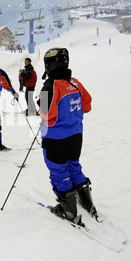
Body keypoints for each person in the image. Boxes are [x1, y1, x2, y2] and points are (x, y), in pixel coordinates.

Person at [38, 47, 96, 226]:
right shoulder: (74, 83)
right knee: (73, 166)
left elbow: (47, 114)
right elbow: (87, 105)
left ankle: (68, 210)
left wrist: (42, 103)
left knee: (59, 172)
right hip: (76, 136)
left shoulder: (50, 86)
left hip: (55, 139)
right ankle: (86, 201)